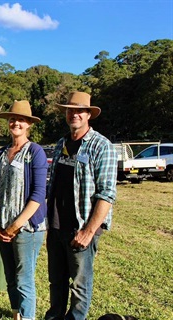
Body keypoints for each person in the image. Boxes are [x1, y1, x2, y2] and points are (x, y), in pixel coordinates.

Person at [45, 92, 117, 320]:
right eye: (70, 110)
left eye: (79, 110)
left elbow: (106, 194)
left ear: (88, 115)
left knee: (79, 284)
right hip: (56, 226)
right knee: (56, 281)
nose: (74, 114)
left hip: (81, 228)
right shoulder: (60, 144)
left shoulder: (101, 146)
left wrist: (88, 231)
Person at [0, 100, 48, 320]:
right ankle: (17, 313)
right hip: (3, 225)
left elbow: (38, 194)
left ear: (28, 125)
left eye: (21, 120)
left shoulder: (35, 152)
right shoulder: (3, 152)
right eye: (13, 119)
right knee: (10, 276)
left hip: (27, 227)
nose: (16, 123)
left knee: (24, 278)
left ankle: (28, 317)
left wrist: (16, 225)